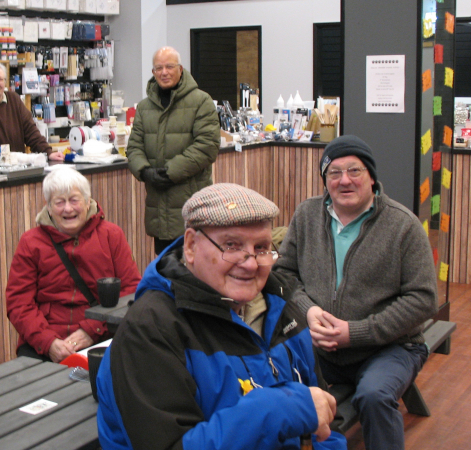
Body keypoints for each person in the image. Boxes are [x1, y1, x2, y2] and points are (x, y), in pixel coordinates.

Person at [96, 183, 346, 450]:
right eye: (231, 245)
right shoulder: (150, 329)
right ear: (191, 246)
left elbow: (328, 422)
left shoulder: (282, 307)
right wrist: (280, 408)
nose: (250, 262)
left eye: (261, 247)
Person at [272, 135, 438, 450]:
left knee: (374, 397)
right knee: (273, 386)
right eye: (334, 173)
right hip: (320, 348)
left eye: (355, 171)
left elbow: (424, 300)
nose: (344, 180)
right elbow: (282, 274)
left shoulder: (403, 226)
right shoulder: (307, 215)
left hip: (391, 348)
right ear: (325, 180)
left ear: (372, 177)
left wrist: (354, 333)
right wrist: (308, 310)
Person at [5, 167, 141, 362]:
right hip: (44, 341)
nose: (68, 209)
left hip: (101, 335)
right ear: (48, 207)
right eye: (59, 202)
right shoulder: (30, 242)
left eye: (74, 200)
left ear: (87, 202)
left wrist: (91, 330)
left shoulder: (111, 235)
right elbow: (19, 303)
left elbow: (131, 290)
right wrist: (48, 342)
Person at [126, 46, 220, 255]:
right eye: (158, 68)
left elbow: (207, 146)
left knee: (194, 271)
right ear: (153, 73)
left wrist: (170, 172)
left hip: (192, 205)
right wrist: (144, 171)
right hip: (158, 208)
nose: (164, 72)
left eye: (169, 66)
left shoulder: (201, 101)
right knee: (164, 270)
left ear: (180, 69)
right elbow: (133, 147)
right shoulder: (144, 107)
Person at [0, 61, 64, 161]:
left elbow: (31, 131)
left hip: (18, 168)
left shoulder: (13, 99)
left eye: (0, 79)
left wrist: (48, 152)